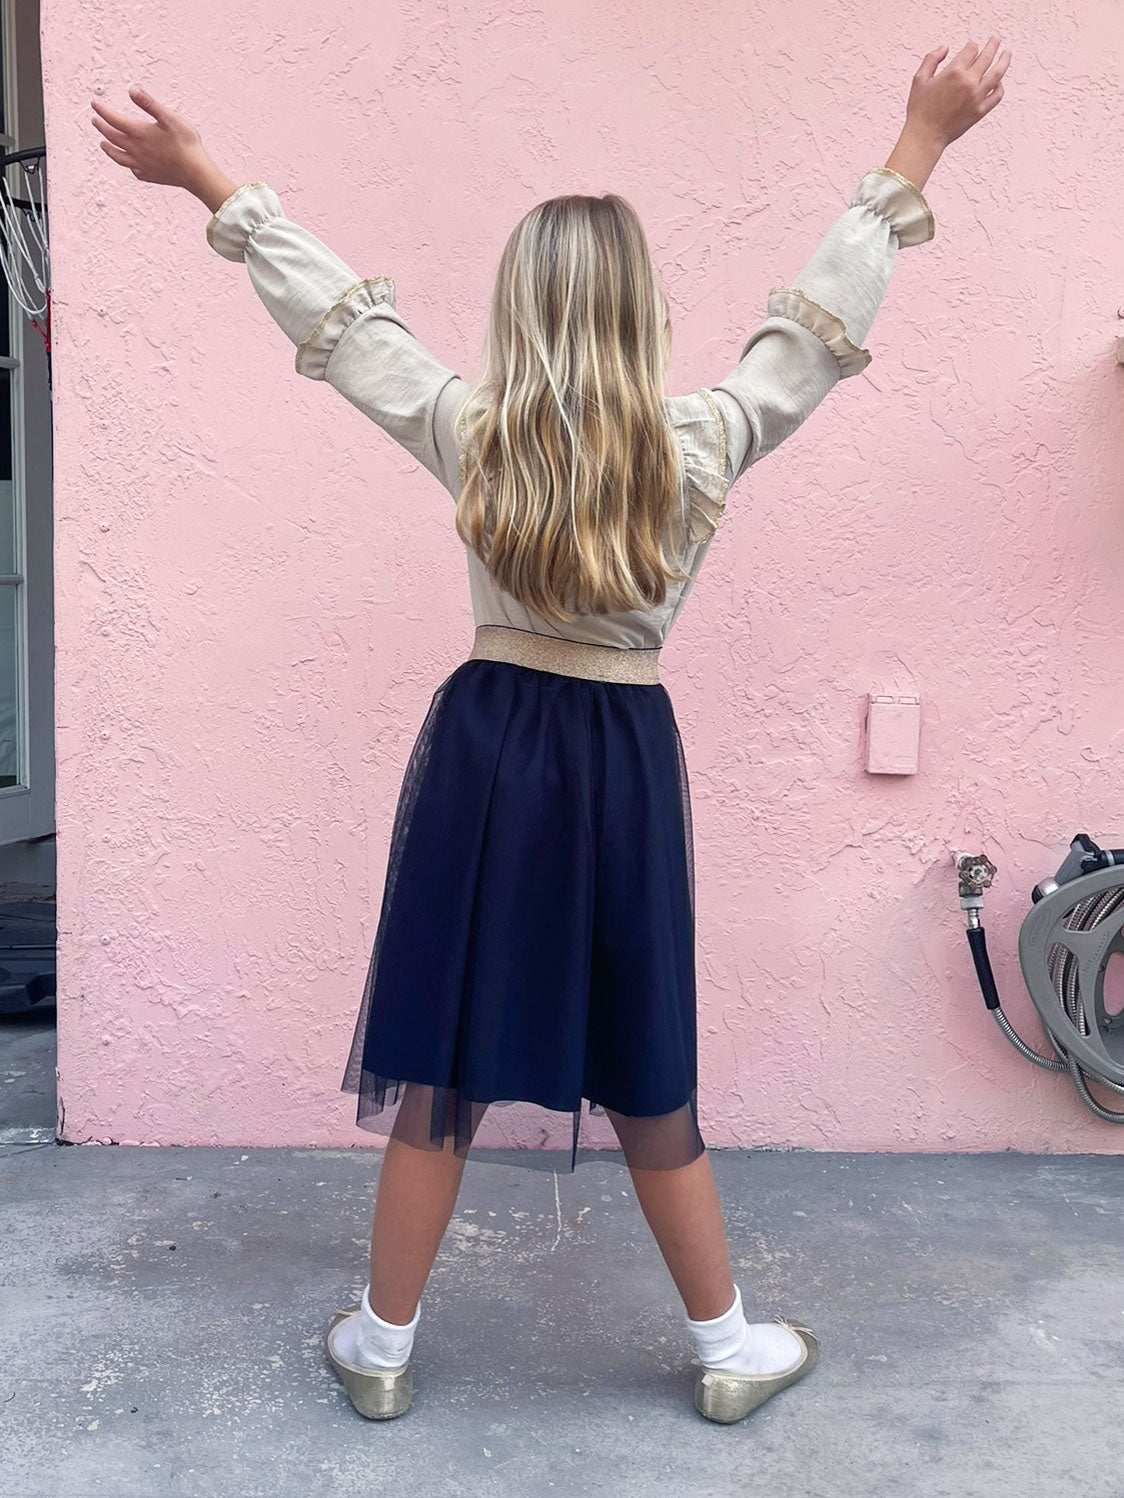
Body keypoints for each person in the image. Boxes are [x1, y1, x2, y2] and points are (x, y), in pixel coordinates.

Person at [90, 35, 1009, 1425]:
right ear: (643, 313)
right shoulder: (700, 441)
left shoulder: (473, 428)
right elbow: (814, 332)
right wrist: (919, 143)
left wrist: (207, 175)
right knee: (646, 1063)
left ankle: (381, 1347)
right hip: (621, 760)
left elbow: (341, 323)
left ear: (516, 310)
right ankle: (729, 1345)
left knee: (444, 1064)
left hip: (487, 751)